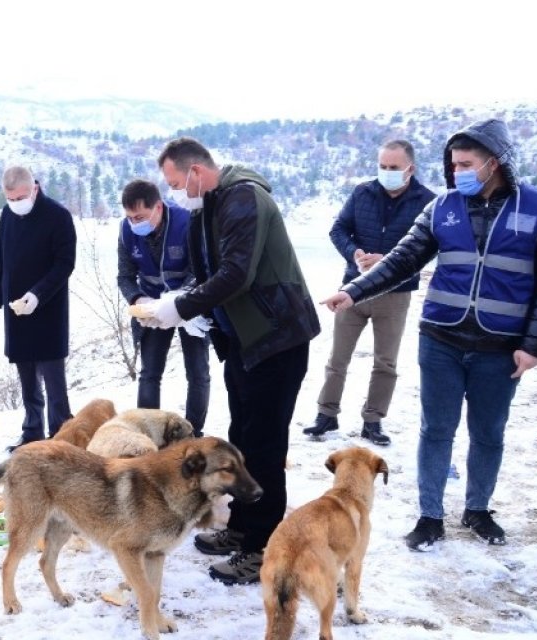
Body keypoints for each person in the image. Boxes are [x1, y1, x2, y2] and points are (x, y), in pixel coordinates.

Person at [321, 119, 537, 550]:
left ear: (494, 163)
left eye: (466, 163)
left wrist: (533, 346)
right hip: (441, 339)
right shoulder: (443, 208)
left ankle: (477, 509)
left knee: (488, 433)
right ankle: (430, 515)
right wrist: (352, 291)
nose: (457, 171)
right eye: (453, 164)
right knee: (435, 430)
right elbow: (402, 260)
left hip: (500, 348)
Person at [139, 137, 320, 584]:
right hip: (244, 340)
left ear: (197, 173)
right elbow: (210, 272)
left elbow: (237, 273)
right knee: (241, 438)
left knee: (265, 443)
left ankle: (264, 547)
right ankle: (242, 527)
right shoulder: (210, 205)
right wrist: (193, 307)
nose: (174, 192)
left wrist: (182, 308)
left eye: (176, 183)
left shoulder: (244, 198)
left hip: (276, 337)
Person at [305, 140, 436, 446]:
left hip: (396, 293)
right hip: (352, 287)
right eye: (383, 167)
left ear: (410, 169)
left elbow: (428, 250)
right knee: (338, 356)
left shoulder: (428, 202)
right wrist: (354, 254)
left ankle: (373, 421)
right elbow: (338, 229)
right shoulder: (362, 192)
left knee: (385, 362)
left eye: (393, 168)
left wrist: (387, 260)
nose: (387, 172)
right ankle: (327, 414)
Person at [0, 166, 77, 452]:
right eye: (10, 199)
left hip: (48, 306)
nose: (16, 204)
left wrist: (39, 294)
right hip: (15, 308)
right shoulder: (7, 215)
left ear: (34, 189)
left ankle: (62, 435)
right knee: (26, 375)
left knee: (52, 376)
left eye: (21, 198)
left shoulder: (58, 216)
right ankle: (32, 432)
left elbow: (65, 263)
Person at [117, 179, 210, 436]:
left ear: (158, 207)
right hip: (151, 307)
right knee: (149, 373)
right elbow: (124, 276)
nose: (135, 223)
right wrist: (137, 300)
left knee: (198, 372)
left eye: (140, 216)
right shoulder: (127, 231)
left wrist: (179, 301)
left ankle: (194, 431)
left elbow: (201, 270)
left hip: (190, 303)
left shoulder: (188, 221)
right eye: (130, 217)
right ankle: (148, 433)